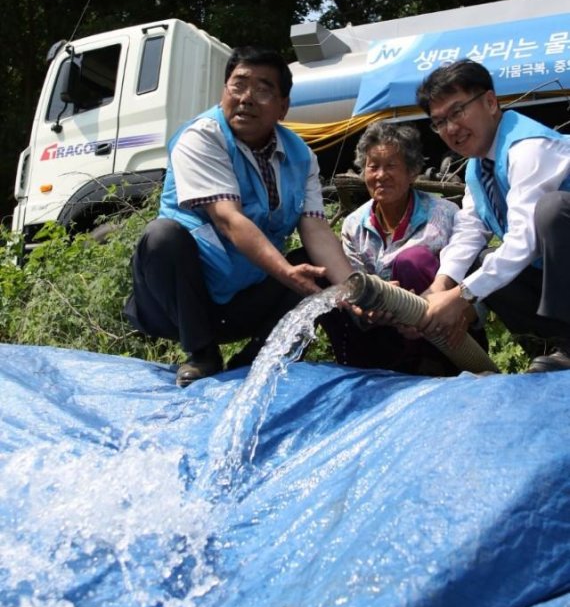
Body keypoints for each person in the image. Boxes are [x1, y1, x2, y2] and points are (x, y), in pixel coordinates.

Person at [123, 45, 354, 387]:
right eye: (238, 85)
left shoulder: (301, 156)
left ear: (283, 107)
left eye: (263, 89)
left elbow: (316, 228)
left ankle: (257, 362)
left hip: (242, 302)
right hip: (181, 305)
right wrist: (287, 273)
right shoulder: (201, 137)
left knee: (318, 269)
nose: (246, 98)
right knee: (162, 236)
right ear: (224, 91)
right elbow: (229, 220)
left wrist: (355, 289)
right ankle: (202, 354)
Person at [415, 58, 570, 373]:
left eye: (457, 112)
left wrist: (462, 297)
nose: (451, 128)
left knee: (553, 210)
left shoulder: (529, 148)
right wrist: (440, 286)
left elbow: (523, 243)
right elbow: (470, 231)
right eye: (439, 121)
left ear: (489, 102)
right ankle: (558, 342)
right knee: (480, 261)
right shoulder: (477, 165)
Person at [323, 120, 461, 375]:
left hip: (441, 336)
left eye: (391, 166)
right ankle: (354, 371)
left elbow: (467, 279)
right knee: (327, 281)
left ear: (412, 172)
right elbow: (352, 283)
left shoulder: (445, 215)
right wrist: (367, 308)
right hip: (381, 334)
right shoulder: (354, 224)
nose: (380, 175)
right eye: (373, 166)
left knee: (412, 260)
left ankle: (432, 368)